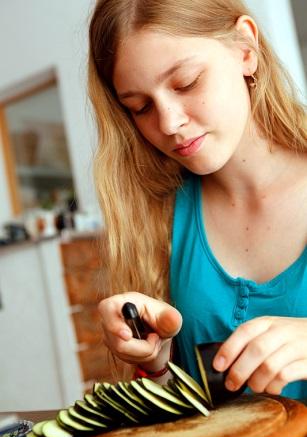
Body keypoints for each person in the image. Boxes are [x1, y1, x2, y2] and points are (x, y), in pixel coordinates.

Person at [88, 0, 307, 400]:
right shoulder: (158, 217)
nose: (168, 123)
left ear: (245, 48)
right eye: (140, 107)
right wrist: (155, 364)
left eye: (186, 82)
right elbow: (187, 421)